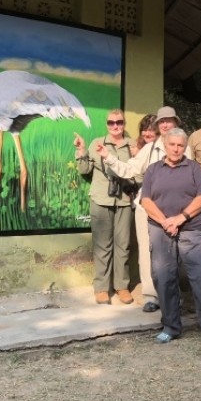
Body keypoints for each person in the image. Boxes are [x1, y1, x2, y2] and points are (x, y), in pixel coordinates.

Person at [98, 106, 189, 313]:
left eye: (169, 121)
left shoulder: (184, 146)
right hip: (146, 208)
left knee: (172, 253)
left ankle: (173, 296)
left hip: (174, 211)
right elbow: (129, 169)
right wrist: (108, 157)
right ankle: (151, 296)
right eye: (162, 122)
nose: (165, 125)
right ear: (158, 125)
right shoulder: (150, 148)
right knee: (147, 252)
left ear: (176, 123)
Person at [141, 128, 201, 342]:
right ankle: (171, 327)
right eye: (172, 144)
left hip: (192, 228)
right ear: (165, 146)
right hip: (161, 229)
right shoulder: (152, 170)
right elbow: (146, 201)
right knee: (163, 276)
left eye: (180, 145)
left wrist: (179, 219)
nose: (176, 149)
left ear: (184, 147)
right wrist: (165, 221)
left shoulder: (194, 168)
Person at [73, 109, 136, 305]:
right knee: (102, 245)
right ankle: (101, 288)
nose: (115, 126)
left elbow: (136, 171)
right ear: (107, 124)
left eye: (119, 122)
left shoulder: (132, 145)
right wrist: (82, 151)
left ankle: (122, 286)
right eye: (111, 122)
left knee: (123, 245)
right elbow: (85, 170)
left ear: (124, 124)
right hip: (101, 198)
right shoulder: (97, 143)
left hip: (124, 198)